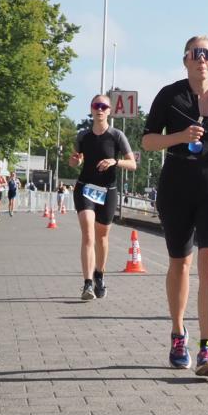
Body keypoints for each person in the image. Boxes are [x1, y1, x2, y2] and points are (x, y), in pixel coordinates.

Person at [142, 35, 208, 377]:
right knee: (179, 264)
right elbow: (147, 141)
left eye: (207, 54)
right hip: (176, 185)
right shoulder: (169, 95)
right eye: (195, 53)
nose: (201, 58)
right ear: (185, 60)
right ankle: (178, 334)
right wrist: (179, 137)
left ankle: (207, 350)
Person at [69, 94, 137, 300]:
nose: (99, 109)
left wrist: (114, 162)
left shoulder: (117, 136)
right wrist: (74, 160)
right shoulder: (83, 136)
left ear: (109, 111)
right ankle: (87, 283)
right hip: (85, 188)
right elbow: (75, 162)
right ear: (91, 109)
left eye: (103, 106)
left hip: (108, 191)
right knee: (88, 234)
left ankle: (99, 275)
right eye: (95, 105)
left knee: (102, 237)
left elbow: (132, 163)